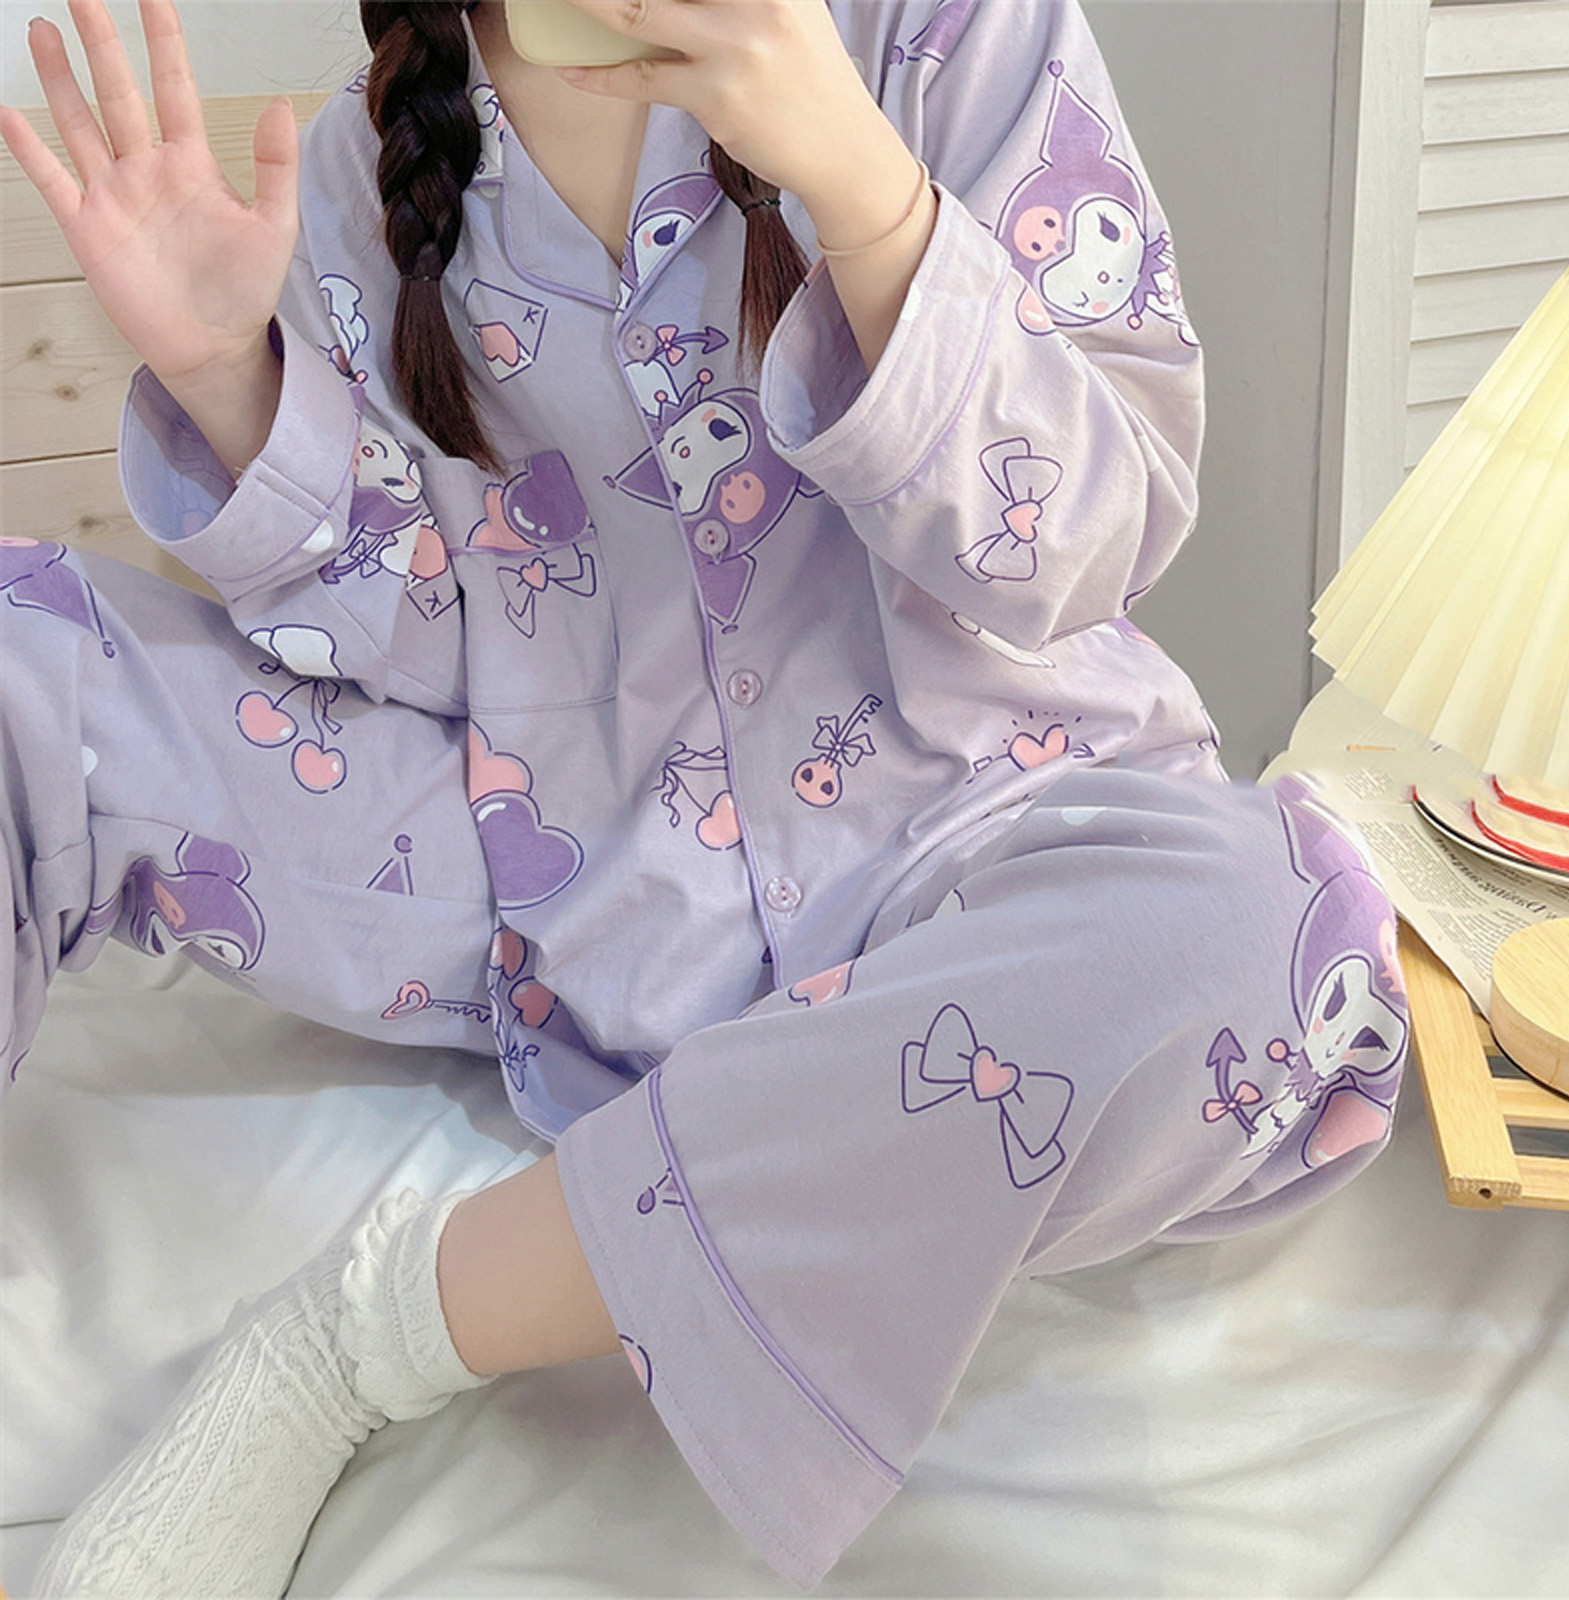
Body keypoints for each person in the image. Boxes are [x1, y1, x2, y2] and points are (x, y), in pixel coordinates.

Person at [1, 0, 1411, 1592]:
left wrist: (864, 192)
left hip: (972, 836)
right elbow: (417, 636)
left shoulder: (946, 35)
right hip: (546, 854)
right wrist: (227, 384)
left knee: (1281, 934)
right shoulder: (362, 163)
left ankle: (357, 1335)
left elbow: (1095, 534)